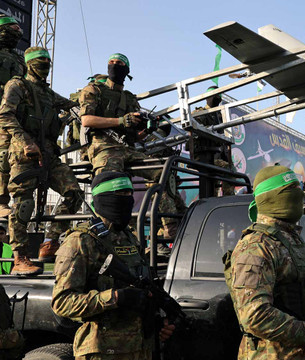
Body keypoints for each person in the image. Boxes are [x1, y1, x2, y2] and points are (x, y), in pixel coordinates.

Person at [51, 172, 175, 359]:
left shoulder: (129, 238)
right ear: (102, 199)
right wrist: (115, 297)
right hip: (102, 350)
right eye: (119, 194)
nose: (126, 200)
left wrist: (157, 321)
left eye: (129, 194)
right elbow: (62, 302)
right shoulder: (80, 241)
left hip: (139, 348)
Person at [224, 165, 305, 359]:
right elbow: (255, 316)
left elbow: (295, 292)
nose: (298, 194)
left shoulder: (290, 238)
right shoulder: (256, 246)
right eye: (291, 190)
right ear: (271, 197)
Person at [78, 53, 181, 238]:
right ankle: (104, 232)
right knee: (109, 186)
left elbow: (135, 137)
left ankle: (170, 225)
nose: (115, 65)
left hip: (127, 149)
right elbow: (86, 120)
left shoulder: (130, 99)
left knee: (163, 172)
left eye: (119, 63)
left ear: (127, 70)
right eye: (111, 62)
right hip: (103, 147)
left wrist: (147, 130)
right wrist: (120, 120)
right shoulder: (93, 90)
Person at [0, 47, 83, 275]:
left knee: (73, 192)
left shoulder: (47, 93)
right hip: (24, 153)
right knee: (23, 204)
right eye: (40, 61)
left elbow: (72, 105)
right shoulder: (17, 85)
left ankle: (50, 241)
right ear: (29, 63)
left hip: (49, 155)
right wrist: (25, 141)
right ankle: (20, 258)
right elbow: (5, 114)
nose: (45, 65)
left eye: (47, 61)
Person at [0, 15, 26, 218]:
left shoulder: (18, 59)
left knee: (8, 157)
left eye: (19, 29)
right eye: (13, 28)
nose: (17, 32)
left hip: (12, 114)